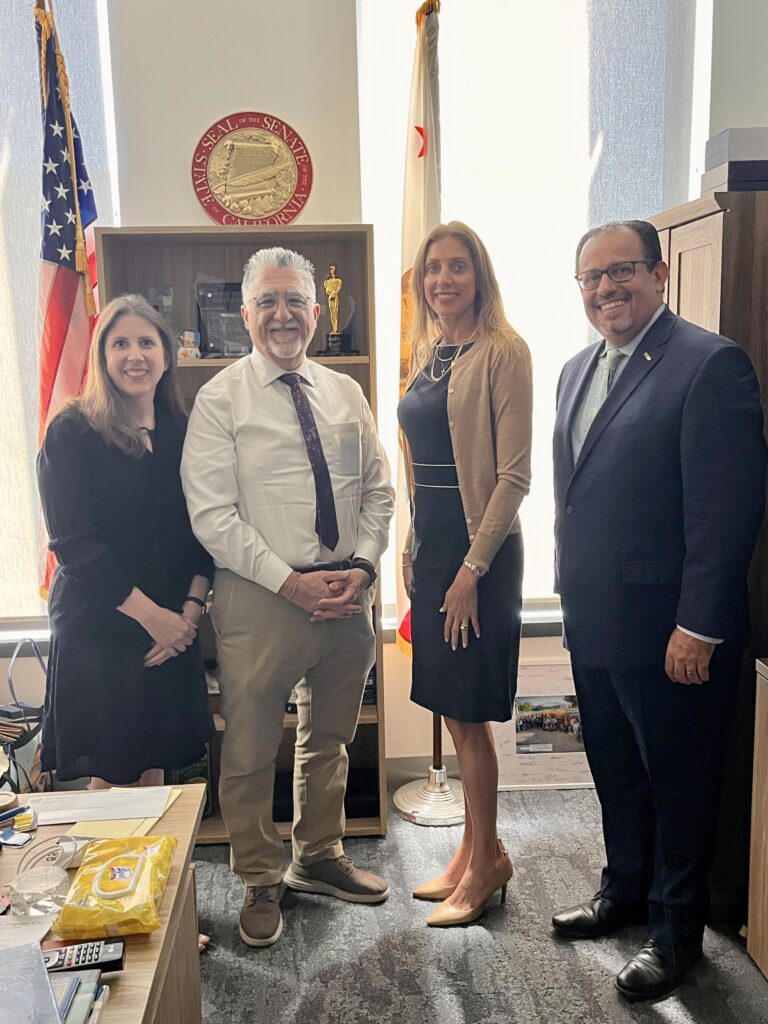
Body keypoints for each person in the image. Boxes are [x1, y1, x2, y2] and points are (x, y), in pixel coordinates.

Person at [551, 220, 766, 1000]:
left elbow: (727, 511)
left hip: (674, 634)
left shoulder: (709, 365)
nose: (606, 289)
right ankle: (625, 892)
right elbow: (575, 502)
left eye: (622, 272)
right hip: (597, 622)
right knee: (616, 772)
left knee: (678, 781)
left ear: (661, 273)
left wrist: (699, 624)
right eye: (591, 278)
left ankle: (677, 935)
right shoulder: (576, 370)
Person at [181, 246, 395, 949]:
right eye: (267, 301)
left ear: (316, 310)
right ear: (244, 314)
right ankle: (259, 877)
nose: (282, 314)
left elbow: (379, 491)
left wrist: (362, 568)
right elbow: (212, 515)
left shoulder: (346, 392)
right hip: (261, 598)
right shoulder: (219, 399)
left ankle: (319, 857)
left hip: (345, 594)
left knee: (329, 740)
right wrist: (289, 581)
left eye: (294, 300)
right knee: (246, 750)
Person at [37, 294, 215, 949]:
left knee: (157, 778)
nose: (134, 356)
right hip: (104, 630)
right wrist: (155, 621)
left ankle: (158, 916)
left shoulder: (182, 428)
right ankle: (106, 915)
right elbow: (75, 545)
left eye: (147, 343)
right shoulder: (72, 431)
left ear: (167, 354)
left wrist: (189, 614)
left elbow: (205, 532)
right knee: (111, 782)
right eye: (120, 344)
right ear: (101, 355)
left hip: (173, 628)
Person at [397, 221, 532, 927]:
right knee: (450, 707)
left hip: (481, 554)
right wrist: (414, 545)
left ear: (479, 276)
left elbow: (513, 477)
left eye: (457, 267)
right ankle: (475, 850)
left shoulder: (504, 352)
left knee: (470, 714)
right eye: (432, 269)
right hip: (437, 549)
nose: (443, 280)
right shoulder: (431, 351)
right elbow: (423, 464)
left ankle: (486, 867)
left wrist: (470, 570)